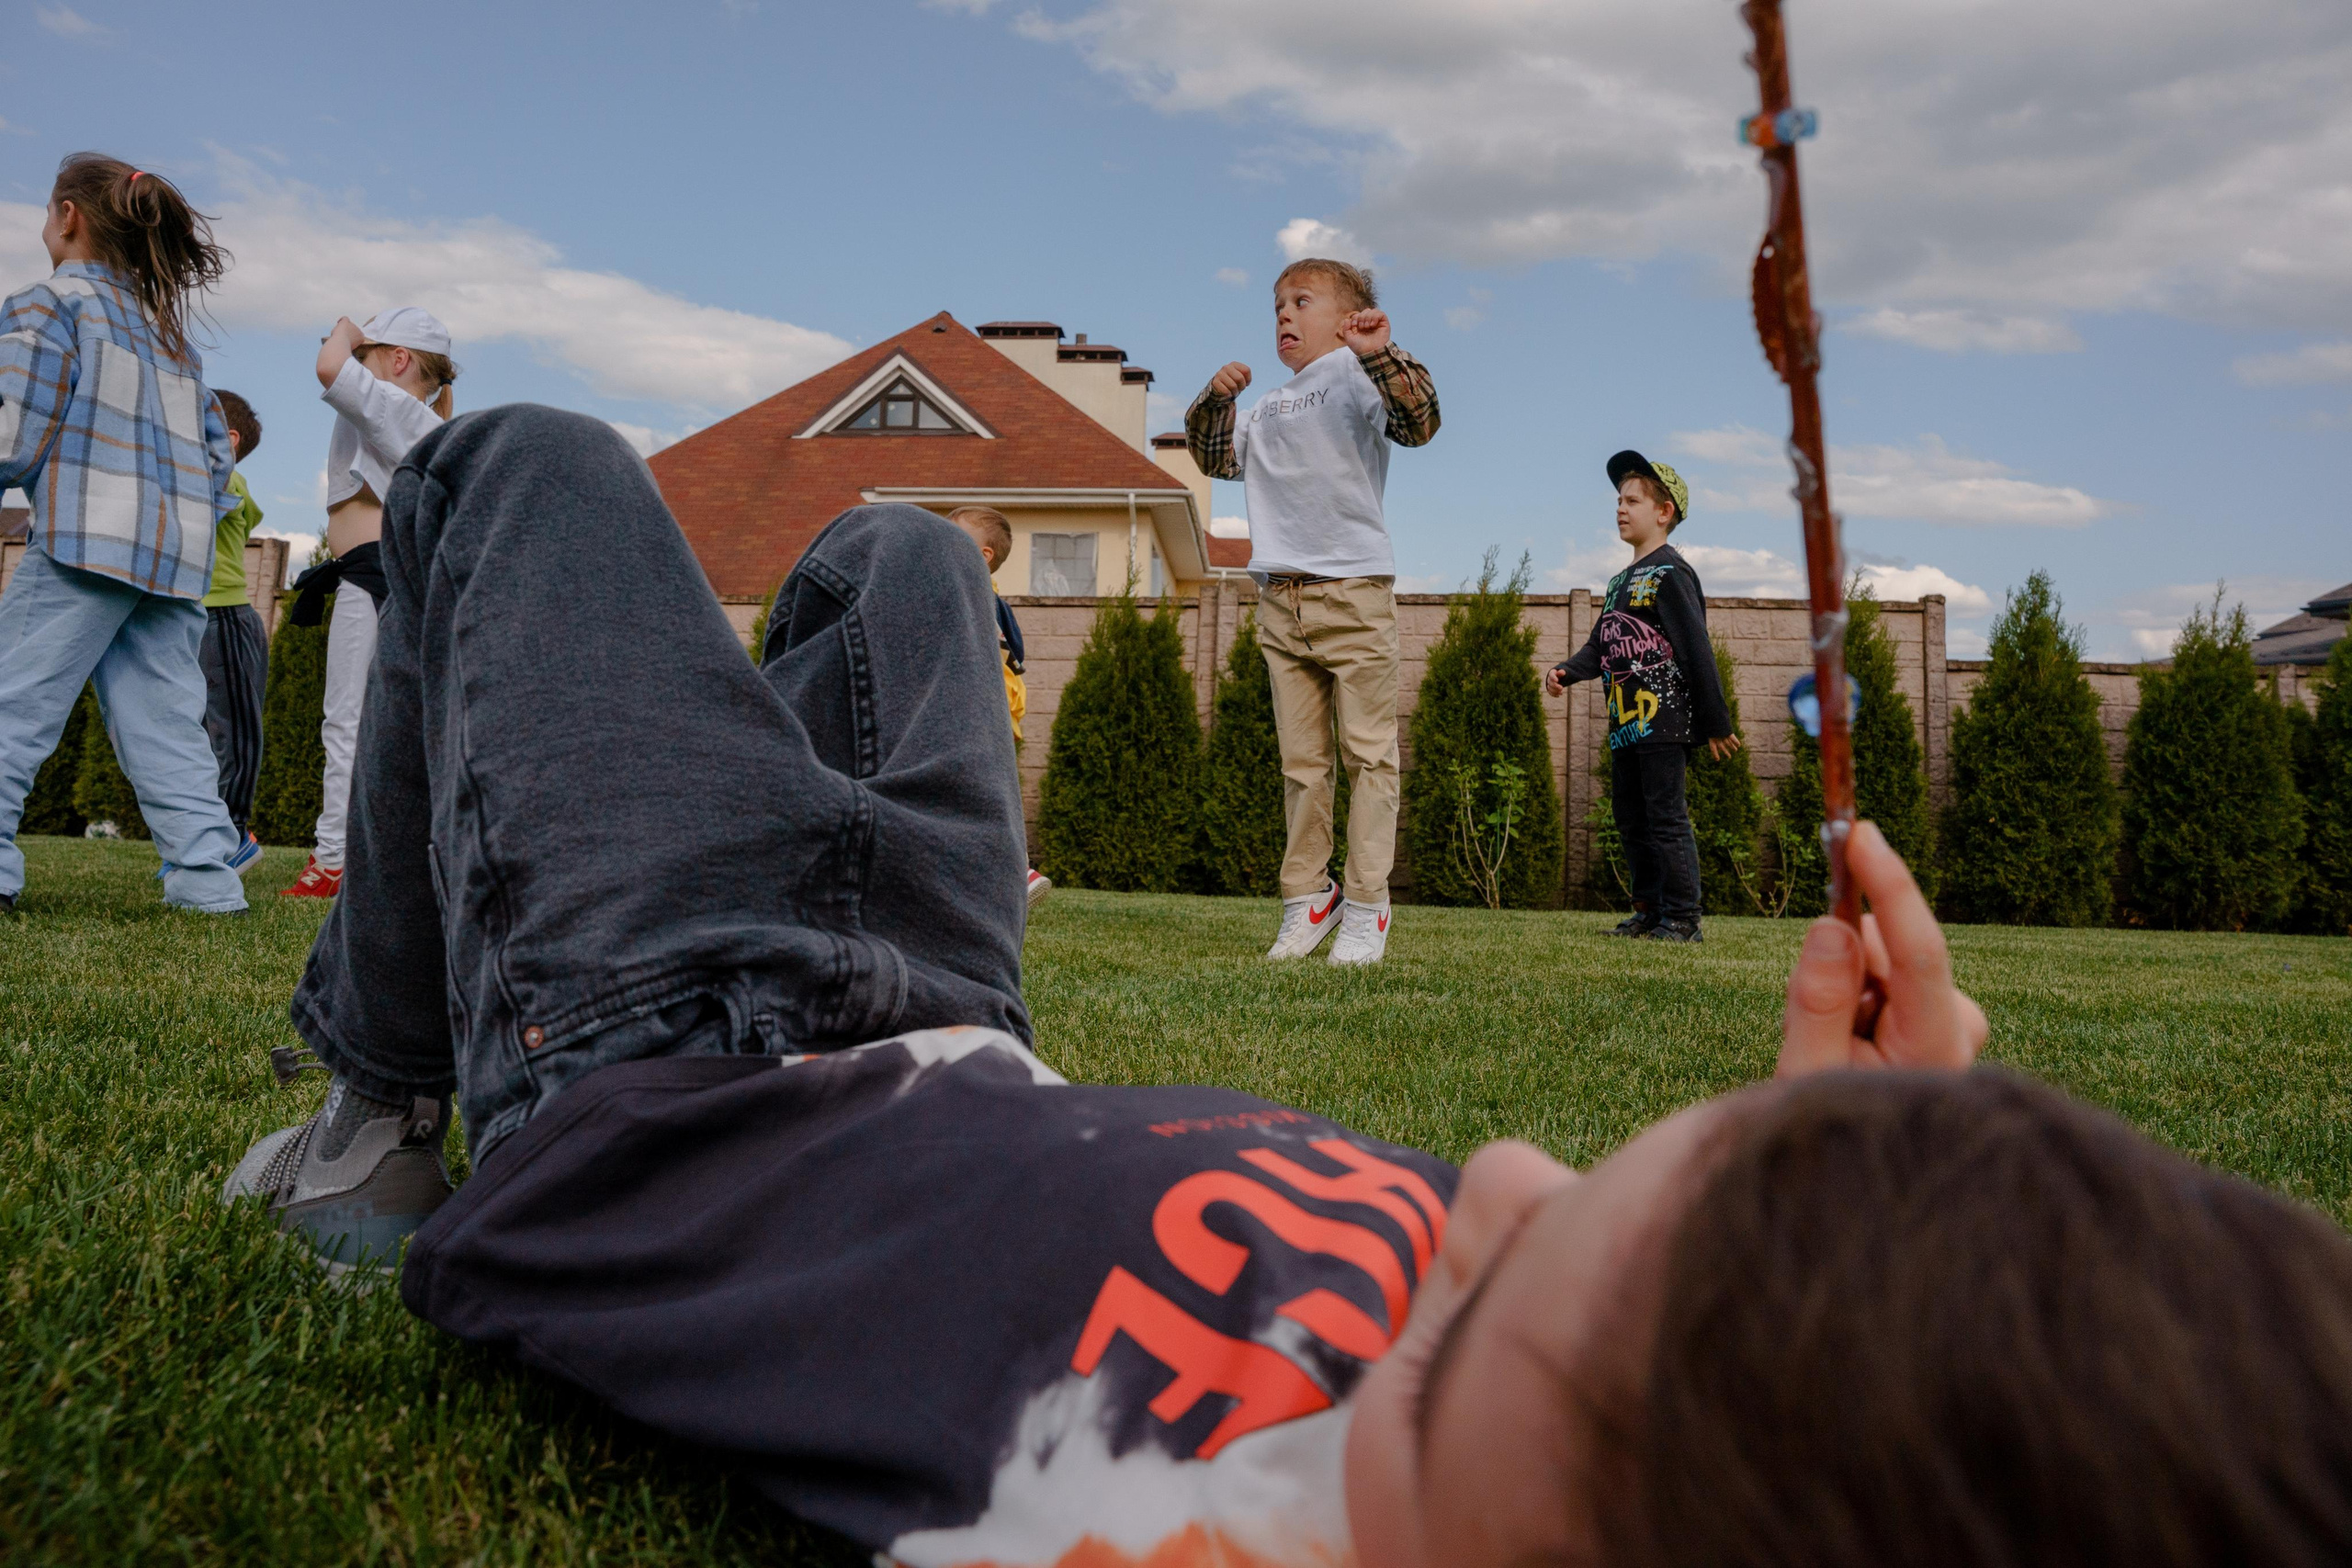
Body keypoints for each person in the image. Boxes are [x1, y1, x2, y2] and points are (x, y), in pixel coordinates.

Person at [221, 409, 2352, 1568]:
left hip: (672, 1073)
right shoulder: (1614, 1396)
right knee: (898, 553)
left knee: (515, 472)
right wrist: (1835, 1125)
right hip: (947, 1006)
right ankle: (728, 788)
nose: (1501, 1172)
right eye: (1598, 1185)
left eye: (1462, 1334)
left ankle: (385, 1112)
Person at [0, 153, 250, 917]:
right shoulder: (173, 341)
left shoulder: (49, 305)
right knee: (168, 725)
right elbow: (217, 461)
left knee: (12, 703)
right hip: (172, 564)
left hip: (83, 545)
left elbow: (14, 430)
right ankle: (209, 885)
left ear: (67, 216)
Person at [1185, 258, 1439, 966]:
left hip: (1353, 591)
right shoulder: (1266, 406)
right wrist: (1214, 400)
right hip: (1280, 600)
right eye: (1276, 307)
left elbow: (1420, 422)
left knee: (1369, 756)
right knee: (1303, 765)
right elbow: (1214, 459)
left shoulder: (1359, 376)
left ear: (1346, 315)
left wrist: (1379, 350)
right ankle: (1308, 898)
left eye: (1302, 301)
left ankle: (1366, 904)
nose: (1284, 317)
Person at [280, 308, 457, 899]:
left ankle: (334, 859)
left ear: (399, 360)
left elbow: (329, 363)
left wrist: (349, 329)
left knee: (347, 718)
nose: (357, 362)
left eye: (370, 356)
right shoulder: (409, 415)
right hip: (378, 573)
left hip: (373, 576)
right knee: (381, 721)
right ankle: (379, 856)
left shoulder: (398, 407)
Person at [1545, 450, 1742, 942]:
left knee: (1665, 817)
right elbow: (1602, 645)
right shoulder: (1618, 583)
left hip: (1664, 720)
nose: (1620, 508)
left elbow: (1697, 649)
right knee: (1631, 820)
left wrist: (1715, 722)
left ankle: (1682, 918)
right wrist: (1568, 671)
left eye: (1632, 500)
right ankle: (1649, 912)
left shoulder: (1671, 574)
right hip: (1624, 723)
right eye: (1618, 500)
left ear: (1664, 511)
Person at [945, 503, 1051, 909]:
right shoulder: (988, 599)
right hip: (993, 714)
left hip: (983, 712)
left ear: (982, 555)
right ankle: (1000, 875)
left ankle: (1016, 871)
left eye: (953, 538)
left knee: (977, 796)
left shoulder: (972, 597)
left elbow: (993, 661)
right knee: (982, 795)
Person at [199, 389, 268, 845]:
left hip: (226, 616)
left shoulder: (229, 483)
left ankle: (234, 834)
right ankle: (203, 833)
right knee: (200, 736)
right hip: (194, 616)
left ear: (229, 440)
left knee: (234, 733)